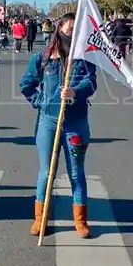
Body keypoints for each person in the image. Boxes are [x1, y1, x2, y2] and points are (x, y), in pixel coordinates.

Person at [19, 13, 97, 238]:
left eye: (76, 30)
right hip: (48, 123)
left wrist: (75, 92)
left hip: (76, 123)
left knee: (76, 173)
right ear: (59, 28)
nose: (72, 33)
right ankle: (40, 219)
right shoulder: (44, 57)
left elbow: (91, 83)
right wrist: (41, 102)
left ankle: (80, 221)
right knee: (46, 173)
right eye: (69, 28)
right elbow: (26, 84)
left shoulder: (85, 57)